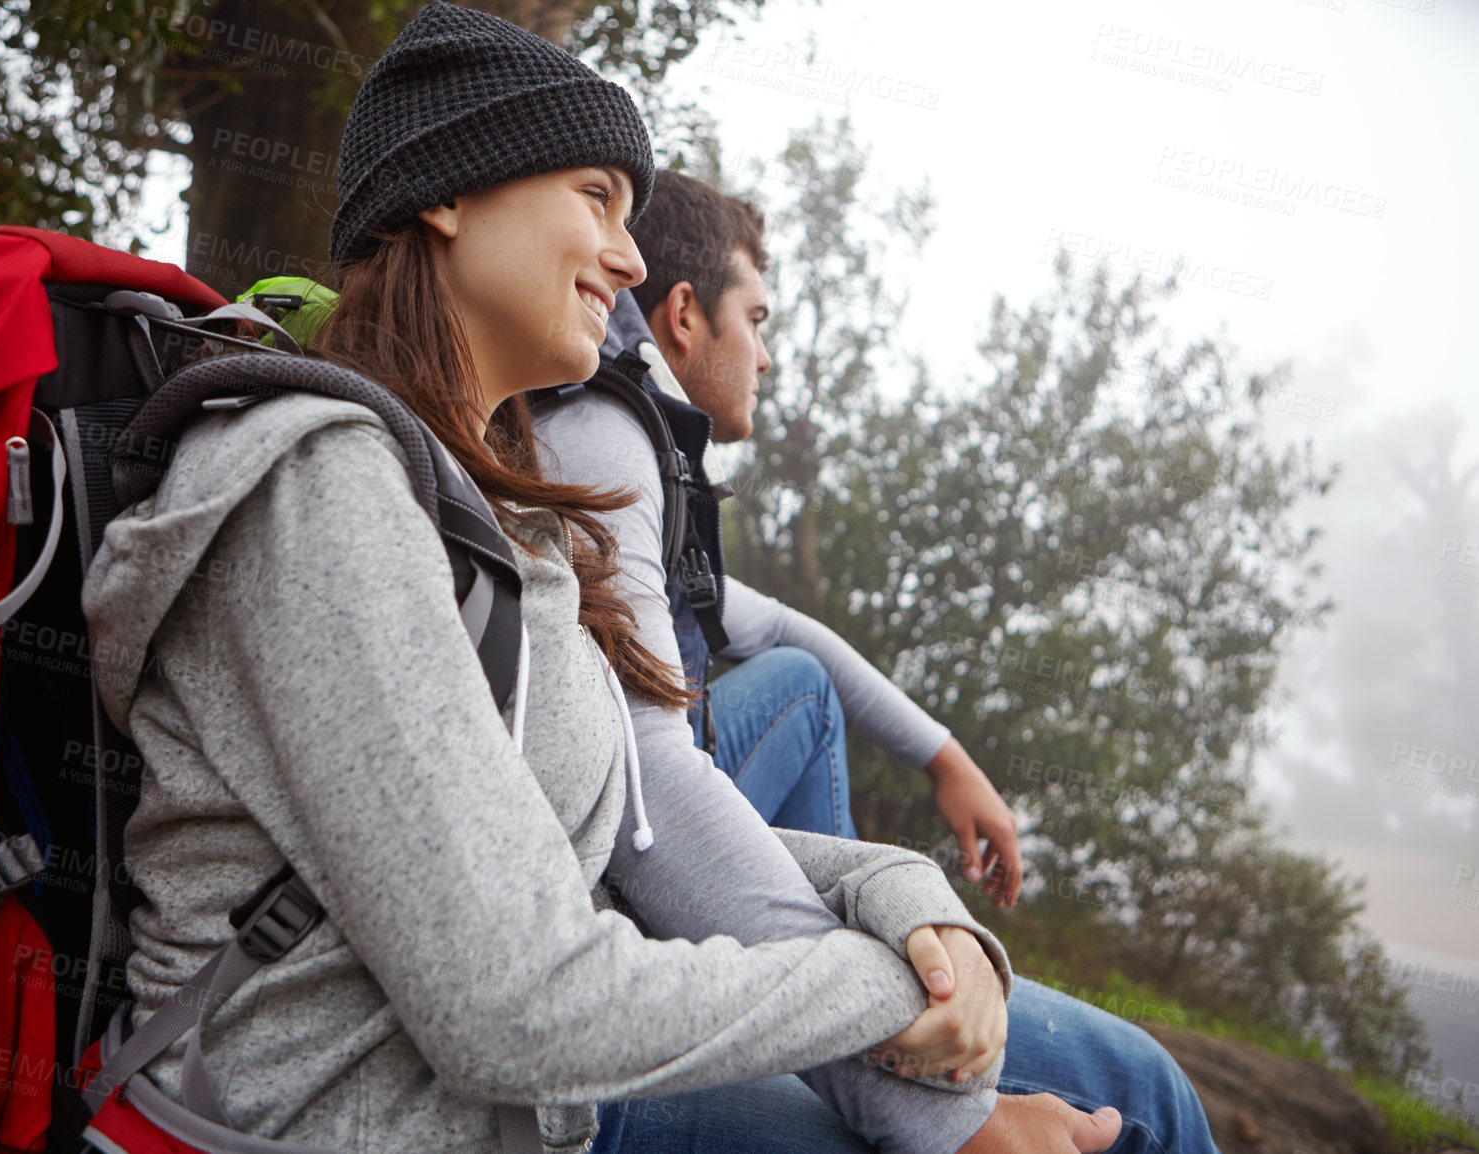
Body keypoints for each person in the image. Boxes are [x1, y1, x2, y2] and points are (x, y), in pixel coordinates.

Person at [82, 5, 1133, 1154]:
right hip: (345, 1120)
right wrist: (894, 993)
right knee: (1129, 1106)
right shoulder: (322, 494)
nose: (632, 262)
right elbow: (515, 1008)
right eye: (597, 197)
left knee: (1131, 1088)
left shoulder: (488, 511)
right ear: (446, 193)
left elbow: (607, 829)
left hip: (518, 1107)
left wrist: (904, 896)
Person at [532, 170, 1222, 1154]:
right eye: (757, 320)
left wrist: (943, 763)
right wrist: (906, 1079)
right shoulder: (604, 433)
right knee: (1142, 1094)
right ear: (683, 316)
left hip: (638, 890)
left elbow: (770, 632)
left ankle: (866, 994)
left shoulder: (634, 453)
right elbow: (645, 791)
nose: (766, 356)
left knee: (800, 683)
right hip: (614, 966)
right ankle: (865, 1022)